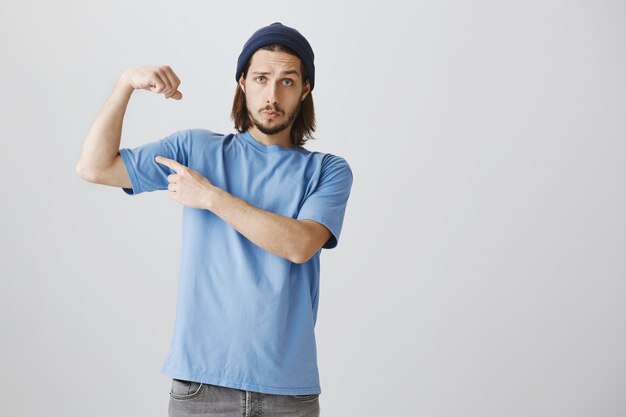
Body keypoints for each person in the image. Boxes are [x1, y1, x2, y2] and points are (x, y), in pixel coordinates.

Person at [76, 22, 353, 417]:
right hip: (202, 386)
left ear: (305, 89)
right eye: (261, 78)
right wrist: (125, 85)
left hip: (289, 392)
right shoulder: (195, 150)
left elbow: (299, 245)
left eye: (288, 81)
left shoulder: (327, 171)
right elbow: (95, 167)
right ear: (243, 82)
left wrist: (210, 197)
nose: (272, 95)